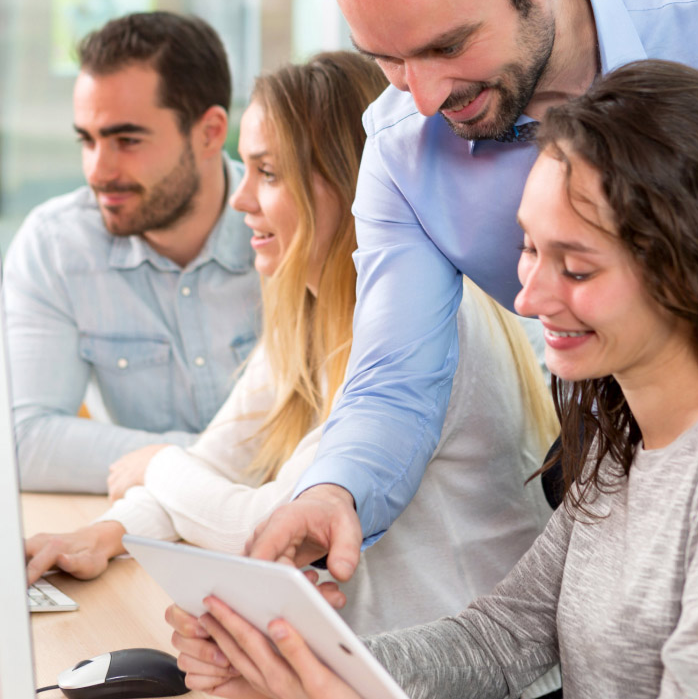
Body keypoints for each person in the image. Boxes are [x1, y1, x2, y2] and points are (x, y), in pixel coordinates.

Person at [244, 0, 698, 579]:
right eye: (389, 60)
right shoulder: (401, 151)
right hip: (624, 471)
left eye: (446, 45)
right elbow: (395, 380)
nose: (426, 98)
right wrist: (332, 491)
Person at [168, 59, 698, 699]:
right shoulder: (618, 439)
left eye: (575, 268)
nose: (528, 297)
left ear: (689, 264)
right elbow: (502, 636)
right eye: (529, 249)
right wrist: (303, 663)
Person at [25, 52, 559, 696]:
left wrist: (158, 463)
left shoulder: (426, 329)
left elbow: (271, 527)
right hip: (362, 669)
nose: (242, 199)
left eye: (268, 173)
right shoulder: (309, 312)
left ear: (349, 183)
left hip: (464, 678)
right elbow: (221, 456)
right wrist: (112, 529)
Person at [7, 11, 261, 494]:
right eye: (88, 140)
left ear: (209, 133)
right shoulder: (56, 247)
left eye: (127, 140)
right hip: (143, 535)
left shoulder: (288, 230)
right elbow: (24, 440)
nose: (98, 171)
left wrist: (164, 464)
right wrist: (191, 464)